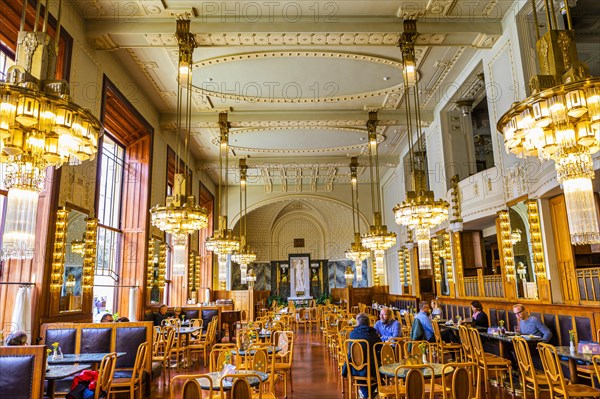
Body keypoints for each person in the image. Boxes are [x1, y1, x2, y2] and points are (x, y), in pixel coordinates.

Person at [342, 313, 381, 399]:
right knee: (381, 373)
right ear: (368, 323)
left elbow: (350, 353)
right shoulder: (373, 335)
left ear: (357, 323)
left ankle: (366, 393)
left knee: (362, 369)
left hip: (355, 367)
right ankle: (368, 393)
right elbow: (380, 347)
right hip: (372, 368)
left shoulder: (352, 334)